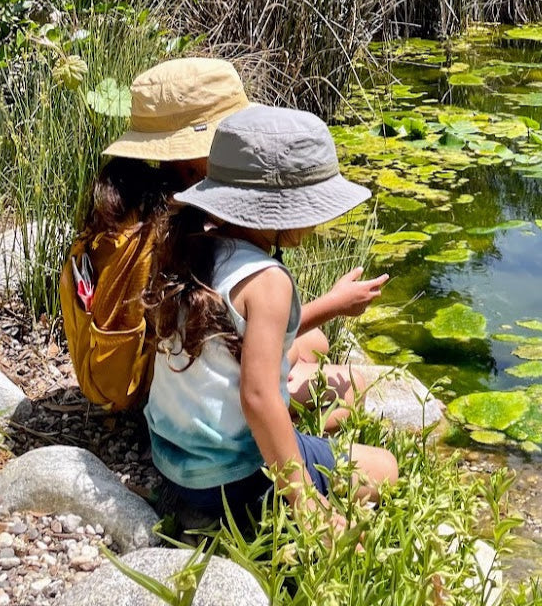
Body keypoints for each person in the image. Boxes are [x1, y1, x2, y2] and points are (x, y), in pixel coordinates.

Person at [145, 104, 399, 530]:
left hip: (174, 459)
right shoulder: (269, 281)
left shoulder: (192, 245)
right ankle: (283, 473)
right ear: (287, 209)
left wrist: (334, 303)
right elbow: (258, 398)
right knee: (385, 468)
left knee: (315, 346)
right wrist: (307, 506)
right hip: (230, 478)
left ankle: (296, 439)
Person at [94, 56, 381, 418]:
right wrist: (335, 304)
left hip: (174, 367)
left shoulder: (133, 202)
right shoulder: (170, 229)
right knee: (351, 387)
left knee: (316, 342)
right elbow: (223, 335)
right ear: (192, 163)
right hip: (181, 388)